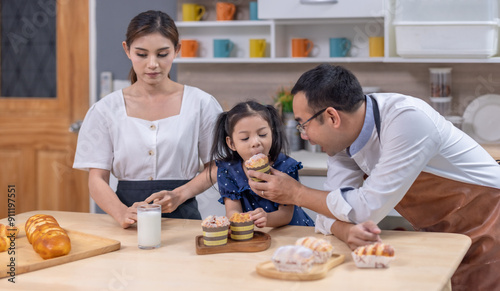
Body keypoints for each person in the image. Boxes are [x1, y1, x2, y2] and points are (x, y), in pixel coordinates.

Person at [248, 64, 500, 290]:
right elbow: (331, 210)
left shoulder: (407, 120)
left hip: (490, 225)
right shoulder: (344, 141)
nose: (303, 135)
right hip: (445, 236)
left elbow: (365, 209)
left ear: (332, 117)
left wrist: (296, 193)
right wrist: (345, 231)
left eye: (303, 124)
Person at [73, 10, 222, 228]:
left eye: (162, 54)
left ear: (177, 50)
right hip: (127, 222)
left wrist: (180, 195)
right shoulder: (105, 109)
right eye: (142, 54)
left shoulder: (202, 104)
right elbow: (97, 179)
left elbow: (216, 165)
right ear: (127, 50)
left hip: (184, 221)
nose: (152, 64)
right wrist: (122, 213)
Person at [209, 101, 314, 227]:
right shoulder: (228, 171)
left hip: (292, 232)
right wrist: (239, 219)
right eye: (245, 138)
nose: (256, 142)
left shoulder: (285, 166)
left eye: (262, 134)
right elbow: (232, 210)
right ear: (231, 143)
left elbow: (286, 214)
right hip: (257, 236)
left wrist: (267, 218)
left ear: (272, 134)